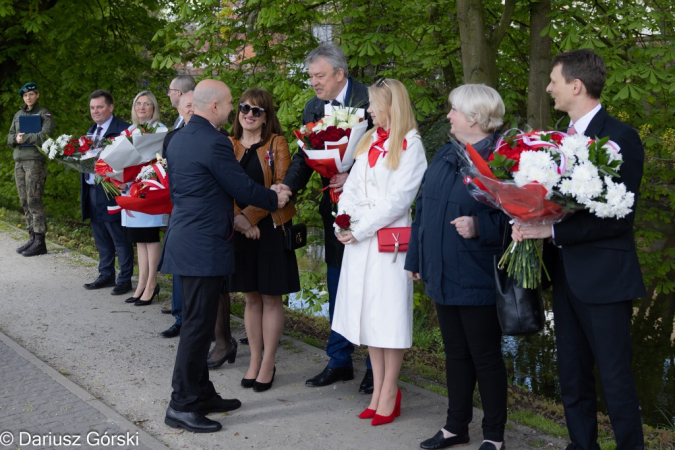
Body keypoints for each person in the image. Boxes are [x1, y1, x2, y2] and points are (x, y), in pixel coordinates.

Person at [512, 49, 646, 450]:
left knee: (616, 378)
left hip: (606, 281)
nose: (548, 87)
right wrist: (528, 219)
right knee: (571, 376)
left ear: (576, 85)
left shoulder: (621, 138)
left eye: (554, 81)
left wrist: (550, 233)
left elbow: (619, 218)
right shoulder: (555, 140)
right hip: (566, 277)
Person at [160, 79, 290, 433]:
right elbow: (239, 186)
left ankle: (202, 392)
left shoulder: (180, 138)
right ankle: (181, 404)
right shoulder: (215, 142)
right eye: (232, 103)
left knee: (198, 325)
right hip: (203, 246)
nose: (235, 109)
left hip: (186, 240)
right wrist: (274, 198)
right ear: (215, 106)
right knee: (197, 327)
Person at [405, 84, 509, 450]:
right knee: (455, 354)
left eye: (454, 110)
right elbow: (424, 211)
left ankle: (494, 435)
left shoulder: (502, 160)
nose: (448, 115)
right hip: (441, 272)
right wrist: (416, 258)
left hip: (477, 274)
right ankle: (455, 427)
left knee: (485, 357)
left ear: (476, 117)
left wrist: (480, 227)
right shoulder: (446, 155)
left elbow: (519, 224)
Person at [280, 42, 374, 393]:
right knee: (337, 285)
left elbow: (389, 149)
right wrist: (288, 188)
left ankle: (376, 368)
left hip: (370, 212)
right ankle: (339, 360)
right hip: (332, 210)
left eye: (319, 76)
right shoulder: (312, 107)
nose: (314, 83)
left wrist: (355, 176)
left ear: (340, 73)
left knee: (369, 288)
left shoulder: (371, 100)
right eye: (310, 77)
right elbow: (306, 157)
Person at [332, 78, 427, 426]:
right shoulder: (370, 139)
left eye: (373, 104)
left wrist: (358, 228)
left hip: (390, 245)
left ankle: (389, 390)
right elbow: (351, 187)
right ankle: (377, 391)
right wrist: (342, 221)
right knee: (370, 316)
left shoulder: (411, 145)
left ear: (392, 106)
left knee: (389, 317)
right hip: (359, 241)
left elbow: (398, 200)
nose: (368, 110)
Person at [213, 88, 300, 393]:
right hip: (241, 233)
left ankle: (268, 362)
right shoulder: (228, 144)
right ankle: (254, 359)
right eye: (243, 108)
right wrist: (240, 220)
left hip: (271, 232)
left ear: (266, 117)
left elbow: (279, 189)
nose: (249, 114)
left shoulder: (277, 144)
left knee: (270, 298)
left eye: (257, 111)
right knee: (250, 298)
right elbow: (222, 185)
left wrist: (249, 217)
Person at [82, 90, 134, 296]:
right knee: (100, 235)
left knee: (119, 236)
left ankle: (125, 279)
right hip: (92, 190)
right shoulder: (90, 131)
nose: (95, 111)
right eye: (92, 108)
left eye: (100, 107)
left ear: (110, 107)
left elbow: (130, 162)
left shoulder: (123, 130)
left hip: (112, 190)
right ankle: (105, 274)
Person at [120, 91, 168, 306]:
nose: (142, 107)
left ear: (154, 108)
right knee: (139, 239)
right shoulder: (129, 131)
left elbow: (161, 160)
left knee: (150, 237)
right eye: (138, 103)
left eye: (147, 104)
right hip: (131, 190)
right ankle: (140, 283)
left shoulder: (161, 130)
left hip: (151, 189)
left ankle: (151, 284)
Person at [159, 90, 194, 338]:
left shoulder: (220, 137)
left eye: (196, 104)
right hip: (179, 211)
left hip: (207, 214)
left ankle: (209, 324)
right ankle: (180, 317)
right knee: (179, 267)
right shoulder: (172, 138)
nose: (191, 109)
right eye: (187, 105)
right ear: (179, 109)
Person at [7, 82, 55, 257]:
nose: (28, 98)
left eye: (32, 94)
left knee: (34, 199)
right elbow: (10, 136)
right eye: (26, 96)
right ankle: (32, 237)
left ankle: (40, 241)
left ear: (37, 95)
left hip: (34, 161)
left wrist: (24, 137)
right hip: (19, 161)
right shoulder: (18, 114)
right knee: (24, 201)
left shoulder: (44, 113)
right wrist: (15, 139)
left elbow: (45, 135)